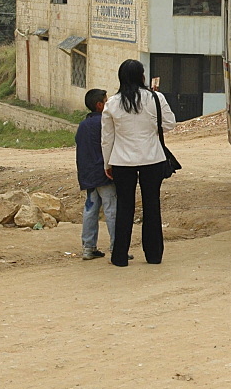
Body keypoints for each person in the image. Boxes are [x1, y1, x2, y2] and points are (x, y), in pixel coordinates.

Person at [101, 59, 176, 267]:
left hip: (122, 161)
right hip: (152, 158)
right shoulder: (155, 97)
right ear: (142, 76)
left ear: (121, 77)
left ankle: (120, 257)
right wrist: (151, 126)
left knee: (125, 207)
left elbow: (107, 138)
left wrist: (107, 164)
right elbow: (169, 124)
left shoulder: (112, 103)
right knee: (152, 205)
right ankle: (154, 255)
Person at [75, 88, 118, 260]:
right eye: (106, 101)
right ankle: (116, 247)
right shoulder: (105, 123)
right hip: (104, 173)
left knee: (90, 210)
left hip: (88, 174)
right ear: (100, 105)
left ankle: (88, 247)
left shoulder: (83, 125)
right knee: (111, 210)